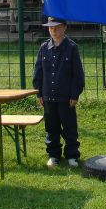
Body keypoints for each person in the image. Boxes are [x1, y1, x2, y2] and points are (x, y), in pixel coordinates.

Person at [33, 17, 84, 168]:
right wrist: (39, 93)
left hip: (66, 98)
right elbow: (38, 72)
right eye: (50, 28)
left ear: (64, 28)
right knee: (51, 127)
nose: (53, 31)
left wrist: (75, 94)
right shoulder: (43, 48)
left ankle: (72, 155)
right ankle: (53, 155)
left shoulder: (72, 48)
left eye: (56, 27)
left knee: (69, 128)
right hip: (48, 96)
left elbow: (78, 75)